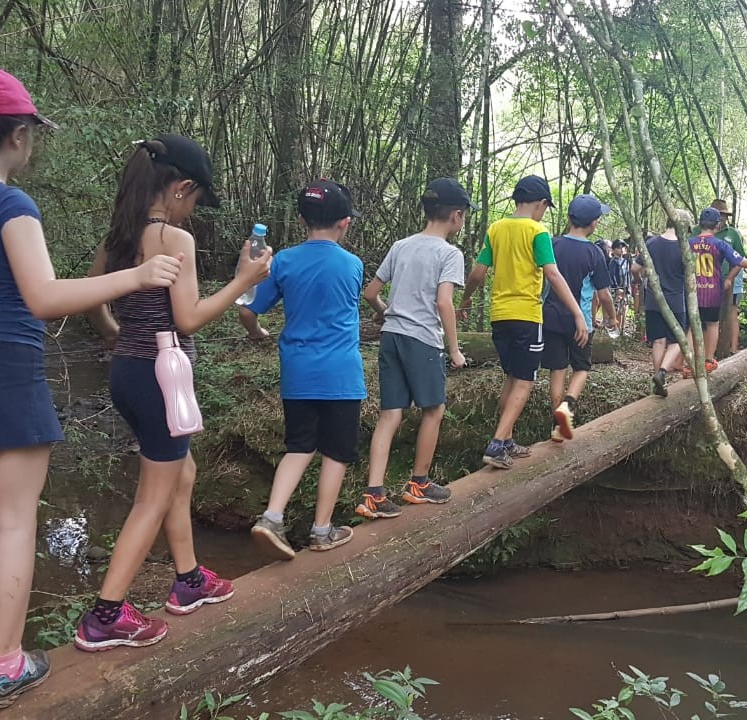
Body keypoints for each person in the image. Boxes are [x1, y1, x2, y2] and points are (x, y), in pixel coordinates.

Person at [0, 64, 183, 709]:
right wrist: (137, 277)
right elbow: (44, 297)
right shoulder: (11, 205)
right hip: (5, 376)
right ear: (17, 136)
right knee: (14, 520)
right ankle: (6, 664)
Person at [78, 134, 270, 651]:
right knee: (153, 496)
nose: (194, 211)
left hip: (129, 373)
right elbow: (189, 318)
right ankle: (105, 616)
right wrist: (243, 280)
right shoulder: (173, 238)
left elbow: (92, 299)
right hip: (162, 379)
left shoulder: (119, 237)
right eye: (197, 199)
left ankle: (188, 581)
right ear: (182, 187)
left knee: (181, 472)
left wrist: (116, 334)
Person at [243, 180, 366, 559]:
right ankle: (322, 530)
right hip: (342, 376)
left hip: (298, 372)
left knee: (299, 446)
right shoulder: (353, 265)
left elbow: (248, 309)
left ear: (300, 219)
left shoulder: (282, 261)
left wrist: (257, 332)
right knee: (336, 452)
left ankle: (272, 517)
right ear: (345, 222)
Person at [355, 178, 471, 519]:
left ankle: (374, 493)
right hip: (422, 340)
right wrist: (454, 349)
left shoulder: (401, 245)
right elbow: (444, 303)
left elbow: (370, 293)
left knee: (390, 413)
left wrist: (385, 312)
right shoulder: (449, 253)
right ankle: (419, 483)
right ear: (456, 215)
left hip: (392, 336)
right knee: (433, 409)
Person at [459, 175, 588, 469]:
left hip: (499, 316)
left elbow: (478, 272)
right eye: (545, 207)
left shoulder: (496, 228)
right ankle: (496, 443)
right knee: (525, 381)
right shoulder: (537, 231)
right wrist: (577, 313)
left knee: (512, 377)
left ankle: (506, 440)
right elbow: (552, 274)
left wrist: (464, 301)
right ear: (541, 203)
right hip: (527, 316)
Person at [545, 194, 616, 443]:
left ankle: (557, 425)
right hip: (581, 322)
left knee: (557, 369)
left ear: (569, 217)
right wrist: (612, 318)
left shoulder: (552, 244)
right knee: (581, 368)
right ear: (594, 223)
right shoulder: (594, 253)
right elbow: (604, 295)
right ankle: (568, 405)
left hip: (551, 317)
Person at [690, 207, 747, 373]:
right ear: (717, 225)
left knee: (692, 326)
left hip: (693, 292)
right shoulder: (719, 244)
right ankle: (708, 360)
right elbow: (741, 261)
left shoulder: (689, 243)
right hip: (712, 292)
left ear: (700, 224)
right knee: (712, 324)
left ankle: (690, 361)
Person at [633, 209, 692, 398]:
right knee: (678, 339)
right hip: (675, 300)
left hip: (653, 300)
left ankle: (657, 378)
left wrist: (640, 279)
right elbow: (690, 276)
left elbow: (634, 267)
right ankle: (662, 372)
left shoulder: (651, 243)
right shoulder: (685, 247)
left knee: (658, 340)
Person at [710, 199, 747, 356]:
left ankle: (732, 349)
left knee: (730, 314)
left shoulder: (732, 234)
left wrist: (730, 278)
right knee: (709, 317)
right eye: (719, 215)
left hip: (728, 282)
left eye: (724, 215)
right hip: (706, 282)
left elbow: (741, 259)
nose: (722, 218)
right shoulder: (701, 231)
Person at [607, 239, 631, 332]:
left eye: (623, 247)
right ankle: (616, 329)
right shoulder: (613, 262)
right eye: (619, 248)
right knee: (617, 310)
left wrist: (628, 287)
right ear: (613, 250)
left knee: (624, 309)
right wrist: (617, 288)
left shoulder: (625, 261)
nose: (621, 249)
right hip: (617, 290)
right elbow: (611, 275)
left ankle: (622, 329)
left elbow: (628, 275)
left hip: (625, 289)